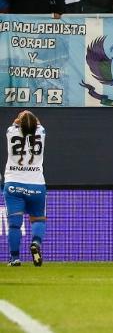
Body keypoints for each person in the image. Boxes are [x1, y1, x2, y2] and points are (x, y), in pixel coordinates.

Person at [4, 111, 47, 267]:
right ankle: (35, 243)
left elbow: (19, 122)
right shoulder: (41, 133)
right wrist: (29, 116)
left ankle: (15, 258)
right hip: (36, 184)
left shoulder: (11, 131)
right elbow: (35, 121)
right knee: (38, 218)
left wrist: (21, 116)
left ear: (19, 123)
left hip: (13, 184)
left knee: (14, 224)